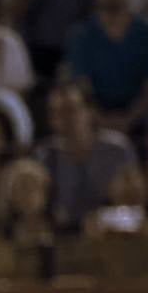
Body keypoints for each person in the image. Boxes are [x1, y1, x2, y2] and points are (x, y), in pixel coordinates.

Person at [35, 82, 139, 233]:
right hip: (65, 238)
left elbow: (137, 204)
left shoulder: (117, 150)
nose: (64, 119)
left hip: (117, 232)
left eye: (70, 110)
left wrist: (108, 220)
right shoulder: (46, 155)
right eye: (56, 113)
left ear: (89, 111)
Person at [66, 0, 148, 135]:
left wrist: (128, 120)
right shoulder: (80, 36)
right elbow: (83, 88)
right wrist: (102, 120)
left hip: (141, 123)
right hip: (95, 122)